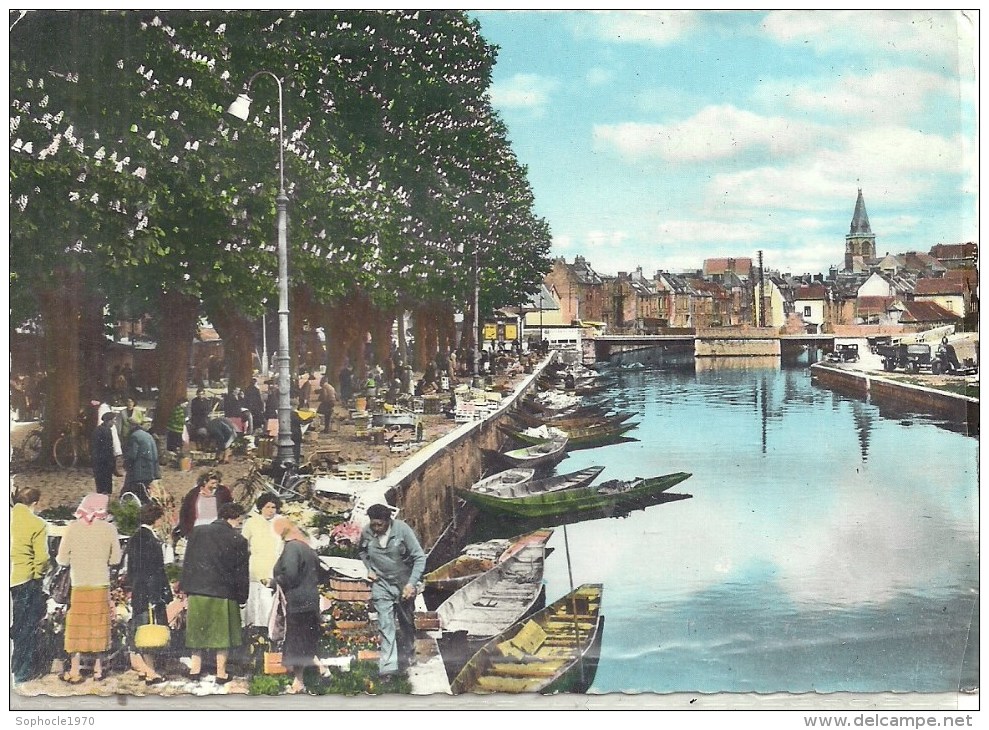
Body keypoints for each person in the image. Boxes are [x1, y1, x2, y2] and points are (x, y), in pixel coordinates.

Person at [55, 493, 123, 683]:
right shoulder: (110, 529)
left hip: (79, 584)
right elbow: (116, 559)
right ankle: (98, 669)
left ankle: (75, 670)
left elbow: (61, 559)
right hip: (100, 583)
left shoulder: (72, 528)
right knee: (99, 625)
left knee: (77, 627)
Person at [180, 502, 249, 683]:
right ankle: (221, 673)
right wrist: (242, 596)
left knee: (197, 632)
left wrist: (185, 588)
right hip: (223, 593)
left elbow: (188, 562)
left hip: (197, 590)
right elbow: (241, 572)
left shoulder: (198, 532)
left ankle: (195, 670)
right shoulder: (238, 540)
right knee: (222, 636)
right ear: (236, 518)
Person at [357, 503, 426, 677]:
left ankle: (410, 651)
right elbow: (362, 552)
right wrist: (369, 569)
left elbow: (419, 557)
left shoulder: (402, 530)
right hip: (381, 584)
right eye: (373, 524)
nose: (376, 528)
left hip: (403, 584)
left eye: (380, 524)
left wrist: (411, 583)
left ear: (389, 521)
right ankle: (388, 667)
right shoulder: (367, 532)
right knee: (385, 624)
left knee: (406, 622)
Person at [271, 517, 321, 694]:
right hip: (311, 600)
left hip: (297, 601)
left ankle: (299, 682)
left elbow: (290, 575)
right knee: (306, 639)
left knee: (296, 641)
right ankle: (317, 671)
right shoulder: (308, 549)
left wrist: (274, 582)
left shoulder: (292, 548)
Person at [124, 503, 172, 685]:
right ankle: (150, 671)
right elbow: (154, 570)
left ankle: (145, 669)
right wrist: (160, 594)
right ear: (156, 519)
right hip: (149, 590)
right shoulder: (150, 540)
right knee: (150, 630)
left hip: (138, 589)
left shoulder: (135, 537)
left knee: (142, 629)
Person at [11, 486, 50, 684]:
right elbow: (42, 558)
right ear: (34, 504)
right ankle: (21, 671)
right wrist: (38, 576)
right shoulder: (37, 523)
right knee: (25, 626)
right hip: (24, 579)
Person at [240, 494, 283, 635]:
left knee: (268, 603)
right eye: (267, 507)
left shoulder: (281, 522)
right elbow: (243, 544)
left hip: (272, 566)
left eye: (273, 507)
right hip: (255, 566)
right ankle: (252, 632)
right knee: (253, 602)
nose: (271, 510)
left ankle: (268, 632)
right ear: (261, 508)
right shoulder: (251, 523)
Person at [176, 469, 233, 544]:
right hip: (199, 526)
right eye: (212, 483)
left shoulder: (223, 492)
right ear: (205, 482)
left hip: (216, 526)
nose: (215, 485)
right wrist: (185, 530)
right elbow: (184, 512)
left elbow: (230, 507)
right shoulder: (194, 493)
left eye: (217, 482)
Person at [122, 420, 160, 504]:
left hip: (140, 469)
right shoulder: (147, 435)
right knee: (145, 489)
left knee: (132, 490)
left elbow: (132, 455)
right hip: (151, 468)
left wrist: (126, 463)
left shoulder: (134, 436)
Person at [90, 411, 118, 495]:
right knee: (105, 483)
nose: (114, 422)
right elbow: (108, 448)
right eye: (114, 420)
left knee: (100, 483)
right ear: (109, 421)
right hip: (104, 461)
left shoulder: (98, 429)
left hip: (98, 460)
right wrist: (112, 462)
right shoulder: (106, 431)